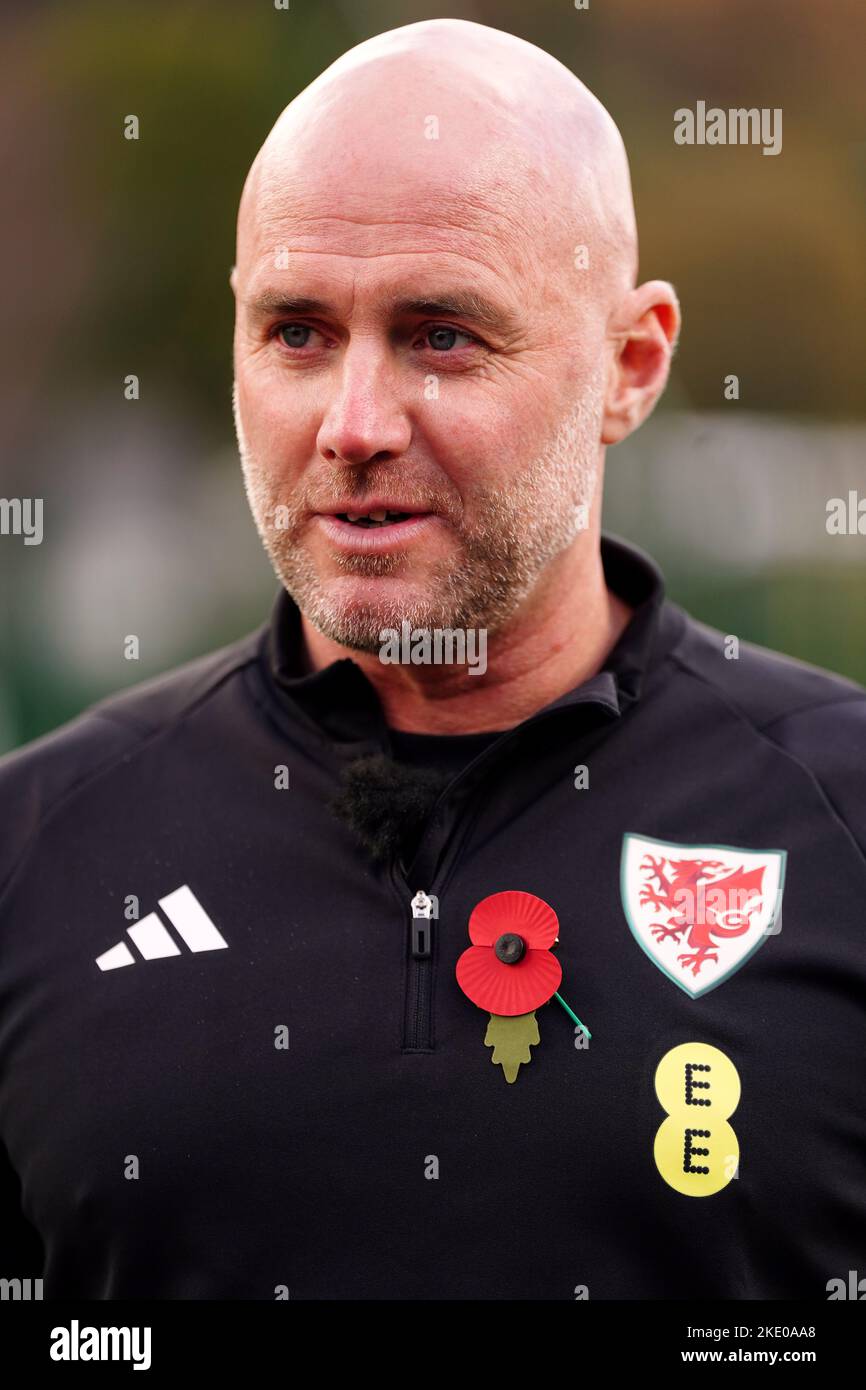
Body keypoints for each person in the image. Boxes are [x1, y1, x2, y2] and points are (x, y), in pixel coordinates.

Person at [1, 18, 864, 1301]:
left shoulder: (837, 819)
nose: (351, 425)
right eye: (294, 331)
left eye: (441, 334)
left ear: (630, 366)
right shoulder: (34, 849)